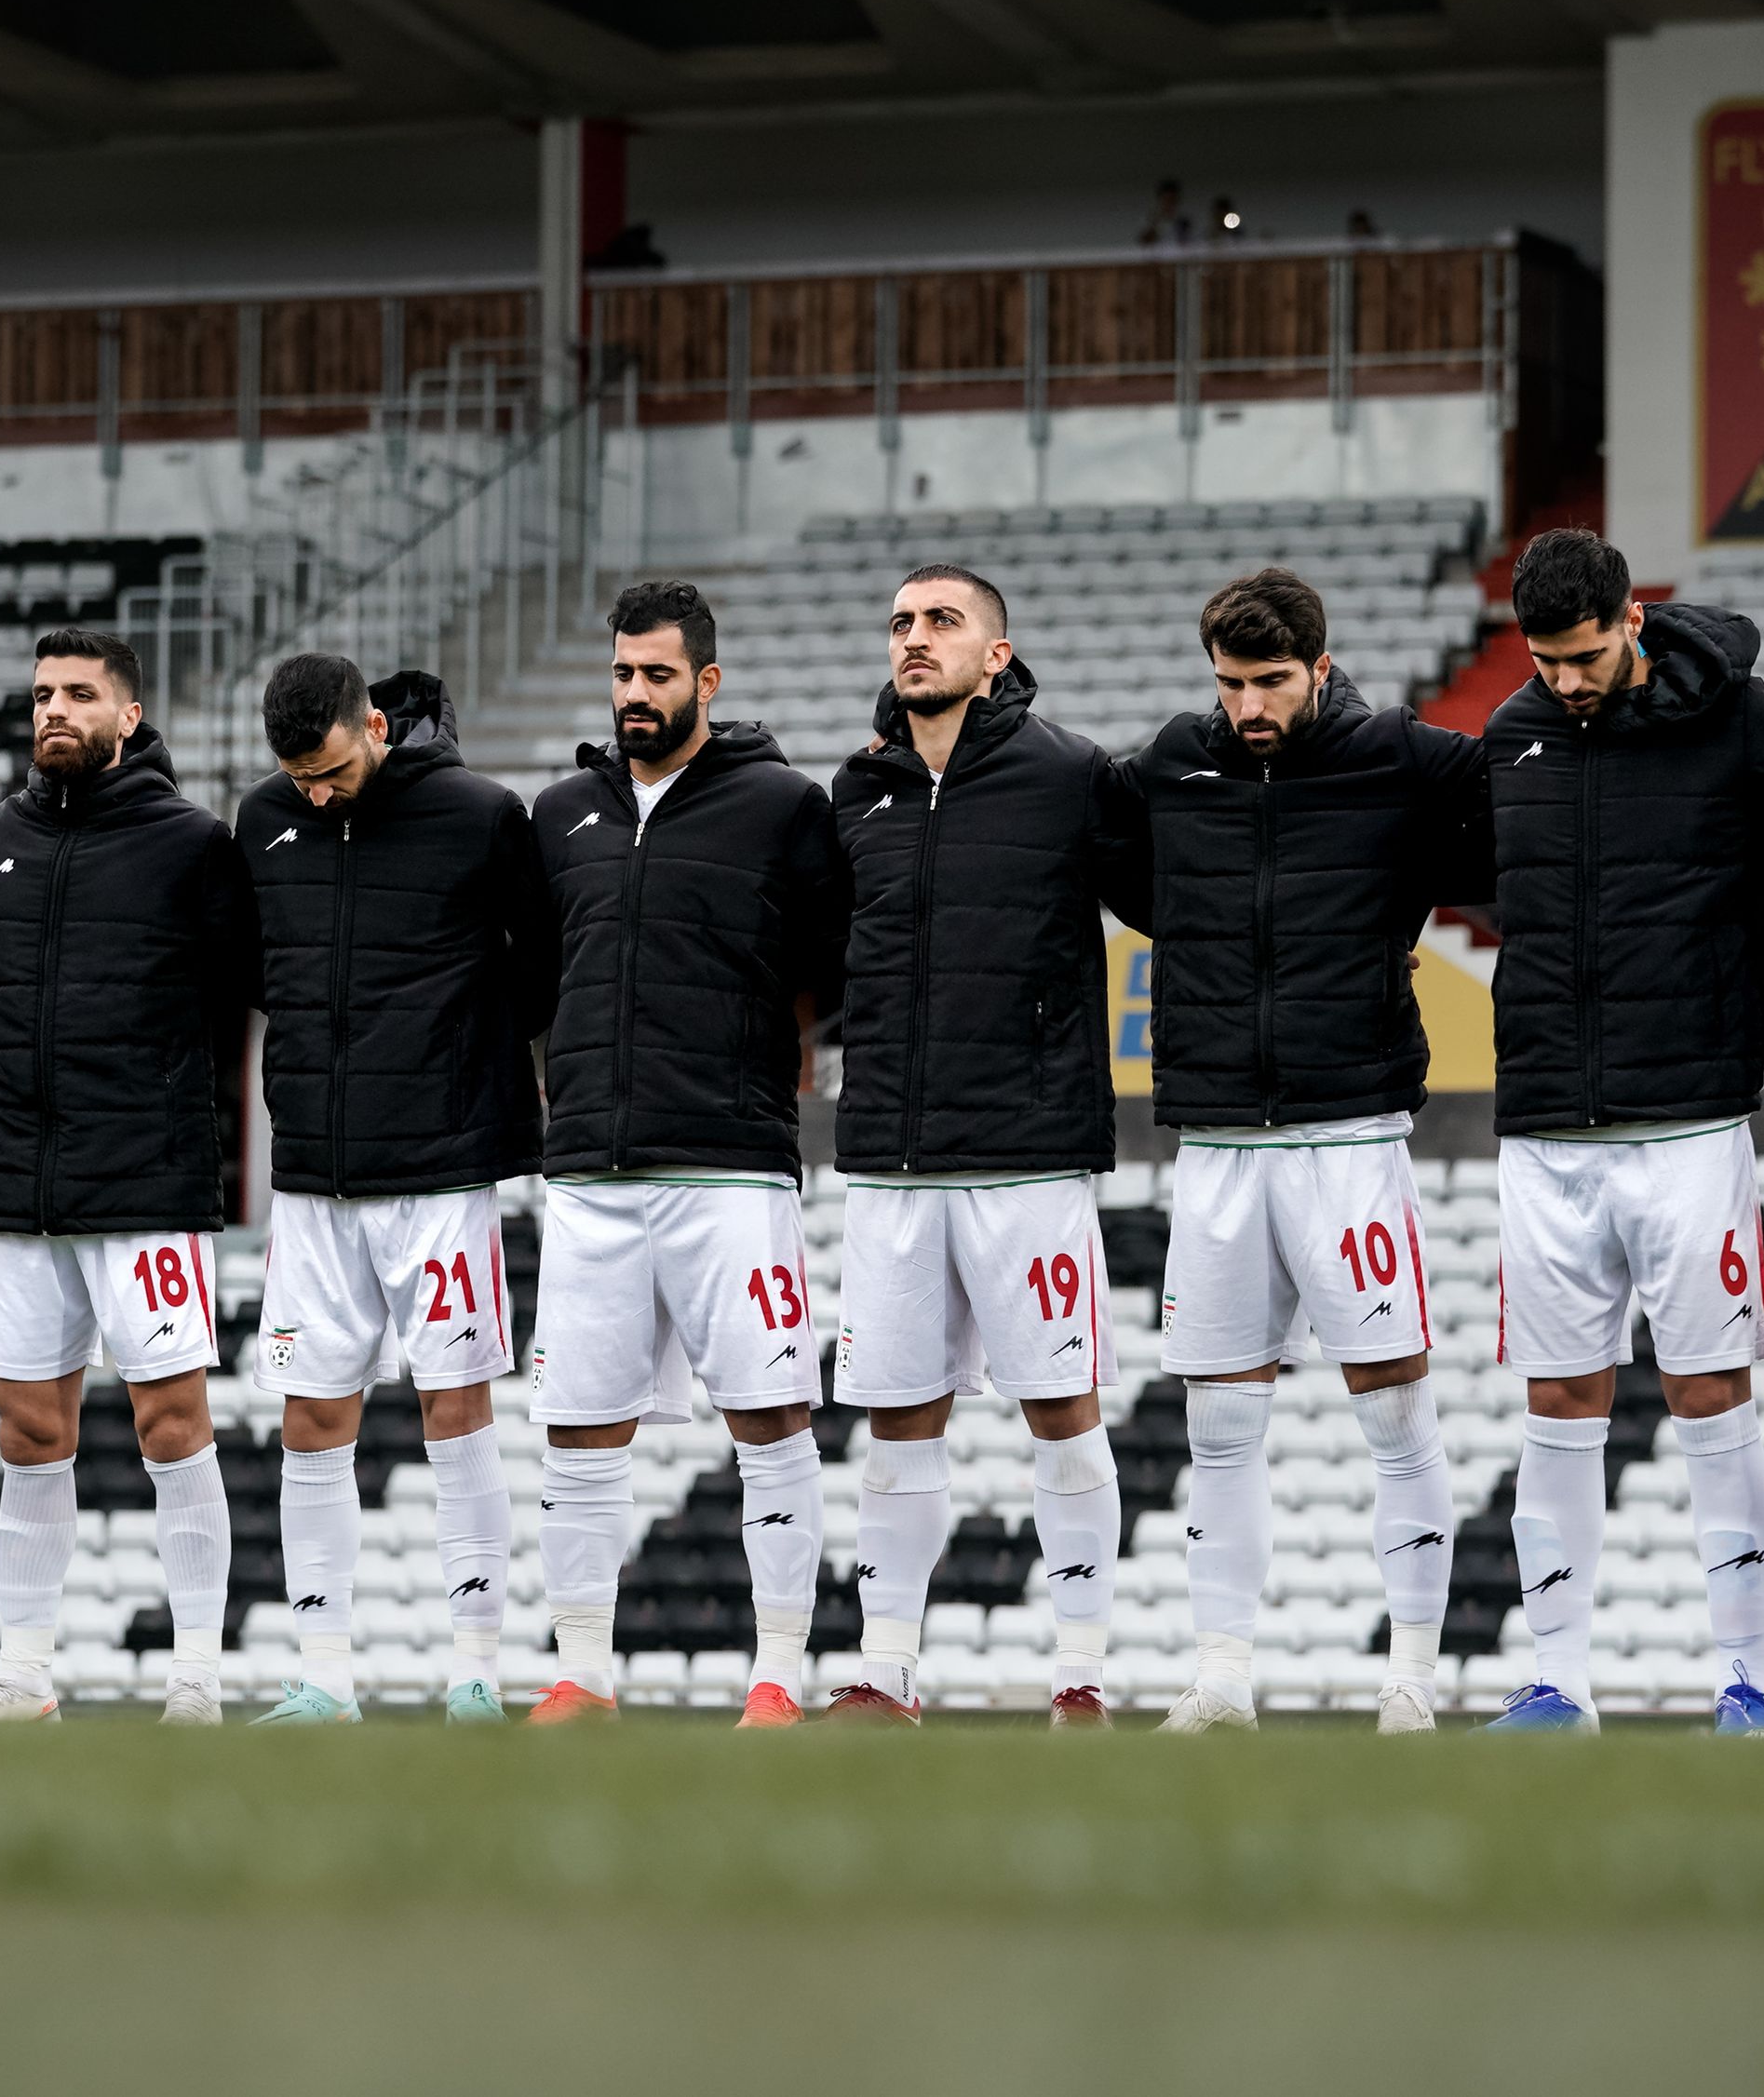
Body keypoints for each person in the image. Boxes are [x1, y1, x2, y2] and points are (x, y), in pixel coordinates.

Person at [1125, 569, 1487, 1736]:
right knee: (1218, 1423)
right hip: (1220, 1137)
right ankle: (1222, 1675)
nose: (1248, 707)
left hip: (1352, 1132)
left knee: (1392, 1406)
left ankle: (1411, 1678)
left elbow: (1537, 790)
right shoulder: (1172, 765)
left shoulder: (1401, 758)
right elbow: (1094, 847)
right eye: (1230, 684)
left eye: (1271, 681)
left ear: (1319, 668)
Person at [1481, 532, 1764, 1733]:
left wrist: (1729, 963)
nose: (1564, 680)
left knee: (1707, 1393)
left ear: (1632, 619)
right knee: (1559, 1396)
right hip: (1543, 1125)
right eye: (1544, 659)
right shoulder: (1511, 732)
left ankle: (1746, 1679)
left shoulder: (1734, 717)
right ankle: (1558, 1681)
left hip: (1687, 1115)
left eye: (1582, 656)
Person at [826, 564, 1151, 1723]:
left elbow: (1177, 902)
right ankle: (885, 1671)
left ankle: (1081, 1677)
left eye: (942, 621)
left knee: (1060, 1407)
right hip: (890, 1159)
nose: (915, 638)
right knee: (898, 1417)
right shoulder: (852, 789)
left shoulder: (1070, 776)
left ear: (996, 653)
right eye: (902, 621)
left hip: (1026, 1150)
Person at [524, 582, 850, 1726]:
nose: (634, 695)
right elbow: (533, 976)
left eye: (657, 675)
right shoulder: (558, 812)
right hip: (590, 1172)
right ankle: (582, 1672)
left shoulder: (781, 807)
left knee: (768, 1414)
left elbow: (835, 961)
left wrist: (785, 1043)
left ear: (706, 681)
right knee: (576, 1423)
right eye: (622, 674)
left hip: (729, 1162)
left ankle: (776, 1674)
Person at [237, 654, 555, 1725]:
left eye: (330, 769)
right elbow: (257, 968)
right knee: (310, 1413)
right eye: (298, 777)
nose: (315, 793)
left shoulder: (480, 813)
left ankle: (474, 1668)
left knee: (454, 1409)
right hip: (314, 1175)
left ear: (373, 723)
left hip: (438, 1167)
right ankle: (322, 1674)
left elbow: (543, 965)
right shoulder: (261, 819)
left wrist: (455, 1051)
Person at [0, 630, 259, 1725]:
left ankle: (195, 1679)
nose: (55, 710)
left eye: (80, 693)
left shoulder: (190, 843)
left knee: (173, 1422)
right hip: (22, 1182)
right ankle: (24, 1675)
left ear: (128, 715)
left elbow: (242, 990)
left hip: (147, 1177)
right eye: (42, 694)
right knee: (29, 1432)